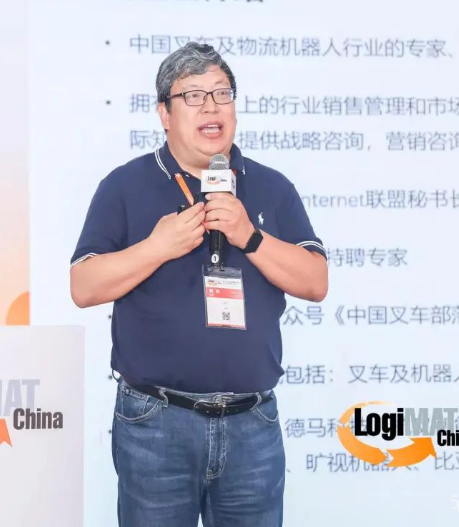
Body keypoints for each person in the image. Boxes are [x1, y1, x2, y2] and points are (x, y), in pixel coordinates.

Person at [70, 42, 328, 527]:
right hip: (155, 422)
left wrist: (250, 236)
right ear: (164, 114)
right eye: (193, 96)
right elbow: (83, 286)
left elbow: (316, 282)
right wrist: (157, 247)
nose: (211, 107)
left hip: (252, 424)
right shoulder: (124, 186)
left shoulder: (272, 187)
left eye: (221, 94)